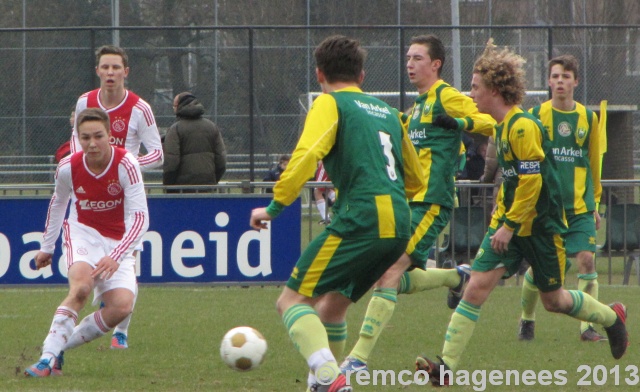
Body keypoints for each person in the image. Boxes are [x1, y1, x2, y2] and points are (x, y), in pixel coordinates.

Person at [416, 39, 628, 386]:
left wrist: (509, 225)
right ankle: (446, 368)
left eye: (474, 88)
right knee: (475, 289)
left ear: (495, 90)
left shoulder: (523, 127)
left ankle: (610, 318)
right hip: (510, 226)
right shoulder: (502, 125)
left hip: (540, 228)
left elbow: (530, 183)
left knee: (555, 301)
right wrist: (455, 124)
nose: (470, 95)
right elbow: (477, 126)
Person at [249, 35, 425, 392]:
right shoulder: (390, 114)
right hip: (399, 223)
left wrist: (274, 205)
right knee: (332, 308)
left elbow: (305, 156)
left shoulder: (330, 104)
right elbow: (416, 177)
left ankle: (331, 378)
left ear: (319, 75)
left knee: (291, 301)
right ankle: (322, 385)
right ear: (362, 75)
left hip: (361, 218)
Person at [339, 34, 496, 374]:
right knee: (391, 275)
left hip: (432, 202)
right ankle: (455, 278)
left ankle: (358, 359)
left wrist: (459, 124)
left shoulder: (446, 96)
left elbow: (490, 121)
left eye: (417, 58)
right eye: (408, 57)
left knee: (389, 272)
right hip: (406, 202)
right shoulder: (419, 105)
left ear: (435, 64)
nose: (409, 63)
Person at [24, 108, 149, 377]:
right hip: (83, 233)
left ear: (110, 136)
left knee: (122, 306)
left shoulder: (127, 164)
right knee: (81, 288)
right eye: (85, 137)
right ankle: (46, 360)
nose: (92, 143)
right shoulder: (68, 166)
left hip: (119, 241)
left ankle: (59, 349)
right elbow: (58, 204)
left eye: (98, 136)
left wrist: (116, 254)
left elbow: (141, 218)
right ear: (78, 138)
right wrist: (48, 246)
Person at [70, 44, 162, 349]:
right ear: (97, 71)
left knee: (126, 257)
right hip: (92, 191)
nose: (110, 73)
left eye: (116, 68)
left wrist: (129, 165)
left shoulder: (140, 108)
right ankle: (103, 305)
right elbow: (75, 146)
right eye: (105, 67)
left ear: (126, 72)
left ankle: (121, 329)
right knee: (89, 253)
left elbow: (158, 154)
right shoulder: (85, 101)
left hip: (125, 195)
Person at [518, 54, 606, 342]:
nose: (559, 81)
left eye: (565, 77)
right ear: (548, 81)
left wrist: (594, 203)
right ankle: (527, 320)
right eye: (555, 76)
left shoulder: (589, 118)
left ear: (575, 82)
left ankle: (587, 326)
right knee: (541, 269)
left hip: (580, 207)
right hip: (548, 209)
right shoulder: (536, 115)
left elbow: (593, 163)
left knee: (586, 261)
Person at [163, 92, 227, 192]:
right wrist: (213, 180)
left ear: (179, 106)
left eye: (174, 106)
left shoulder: (175, 129)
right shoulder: (212, 126)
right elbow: (221, 160)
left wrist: (169, 186)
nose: (173, 109)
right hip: (208, 187)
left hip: (182, 189)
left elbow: (171, 162)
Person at [313, 160, 336, 224]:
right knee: (327, 188)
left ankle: (326, 218)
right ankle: (338, 199)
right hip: (332, 163)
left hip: (326, 163)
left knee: (317, 191)